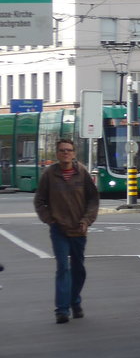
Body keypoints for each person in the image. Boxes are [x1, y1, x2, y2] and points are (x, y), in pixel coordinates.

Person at [34, 138, 99, 324]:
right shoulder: (49, 174)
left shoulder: (82, 173)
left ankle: (74, 301)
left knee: (79, 270)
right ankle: (62, 310)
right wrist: (50, 220)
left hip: (79, 229)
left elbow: (93, 199)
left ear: (74, 153)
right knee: (63, 268)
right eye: (62, 150)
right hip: (59, 230)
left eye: (69, 150)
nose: (65, 153)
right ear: (57, 153)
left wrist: (87, 220)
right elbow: (40, 201)